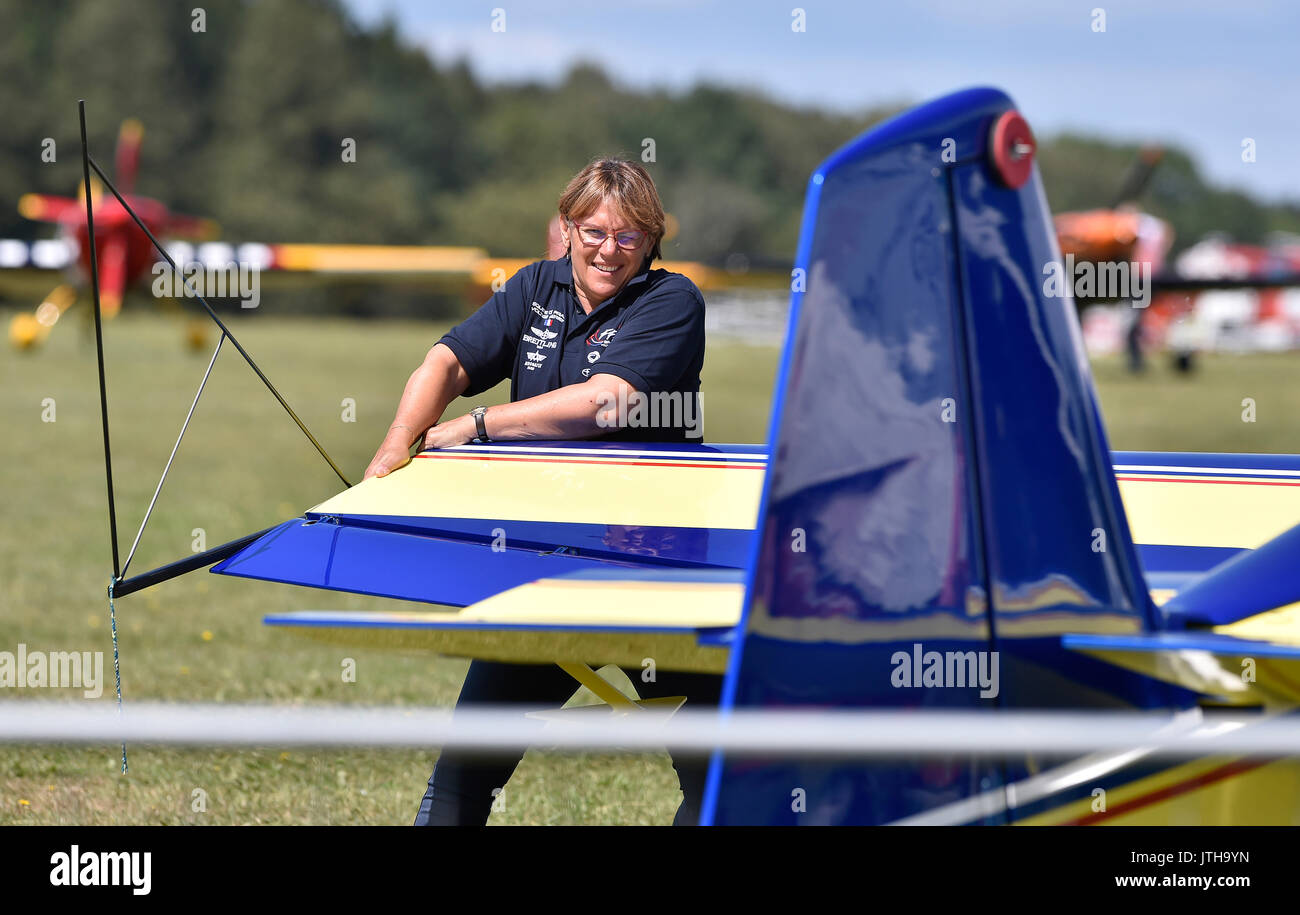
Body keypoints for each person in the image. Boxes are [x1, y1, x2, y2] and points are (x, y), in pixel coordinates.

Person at [362, 158, 719, 825]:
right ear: (568, 227)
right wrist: (395, 446)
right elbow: (449, 360)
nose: (608, 249)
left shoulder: (673, 302)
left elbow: (603, 402)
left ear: (650, 240)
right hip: (548, 571)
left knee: (720, 775)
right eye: (594, 230)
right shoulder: (534, 288)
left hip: (653, 575)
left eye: (628, 235)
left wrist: (476, 426)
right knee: (464, 773)